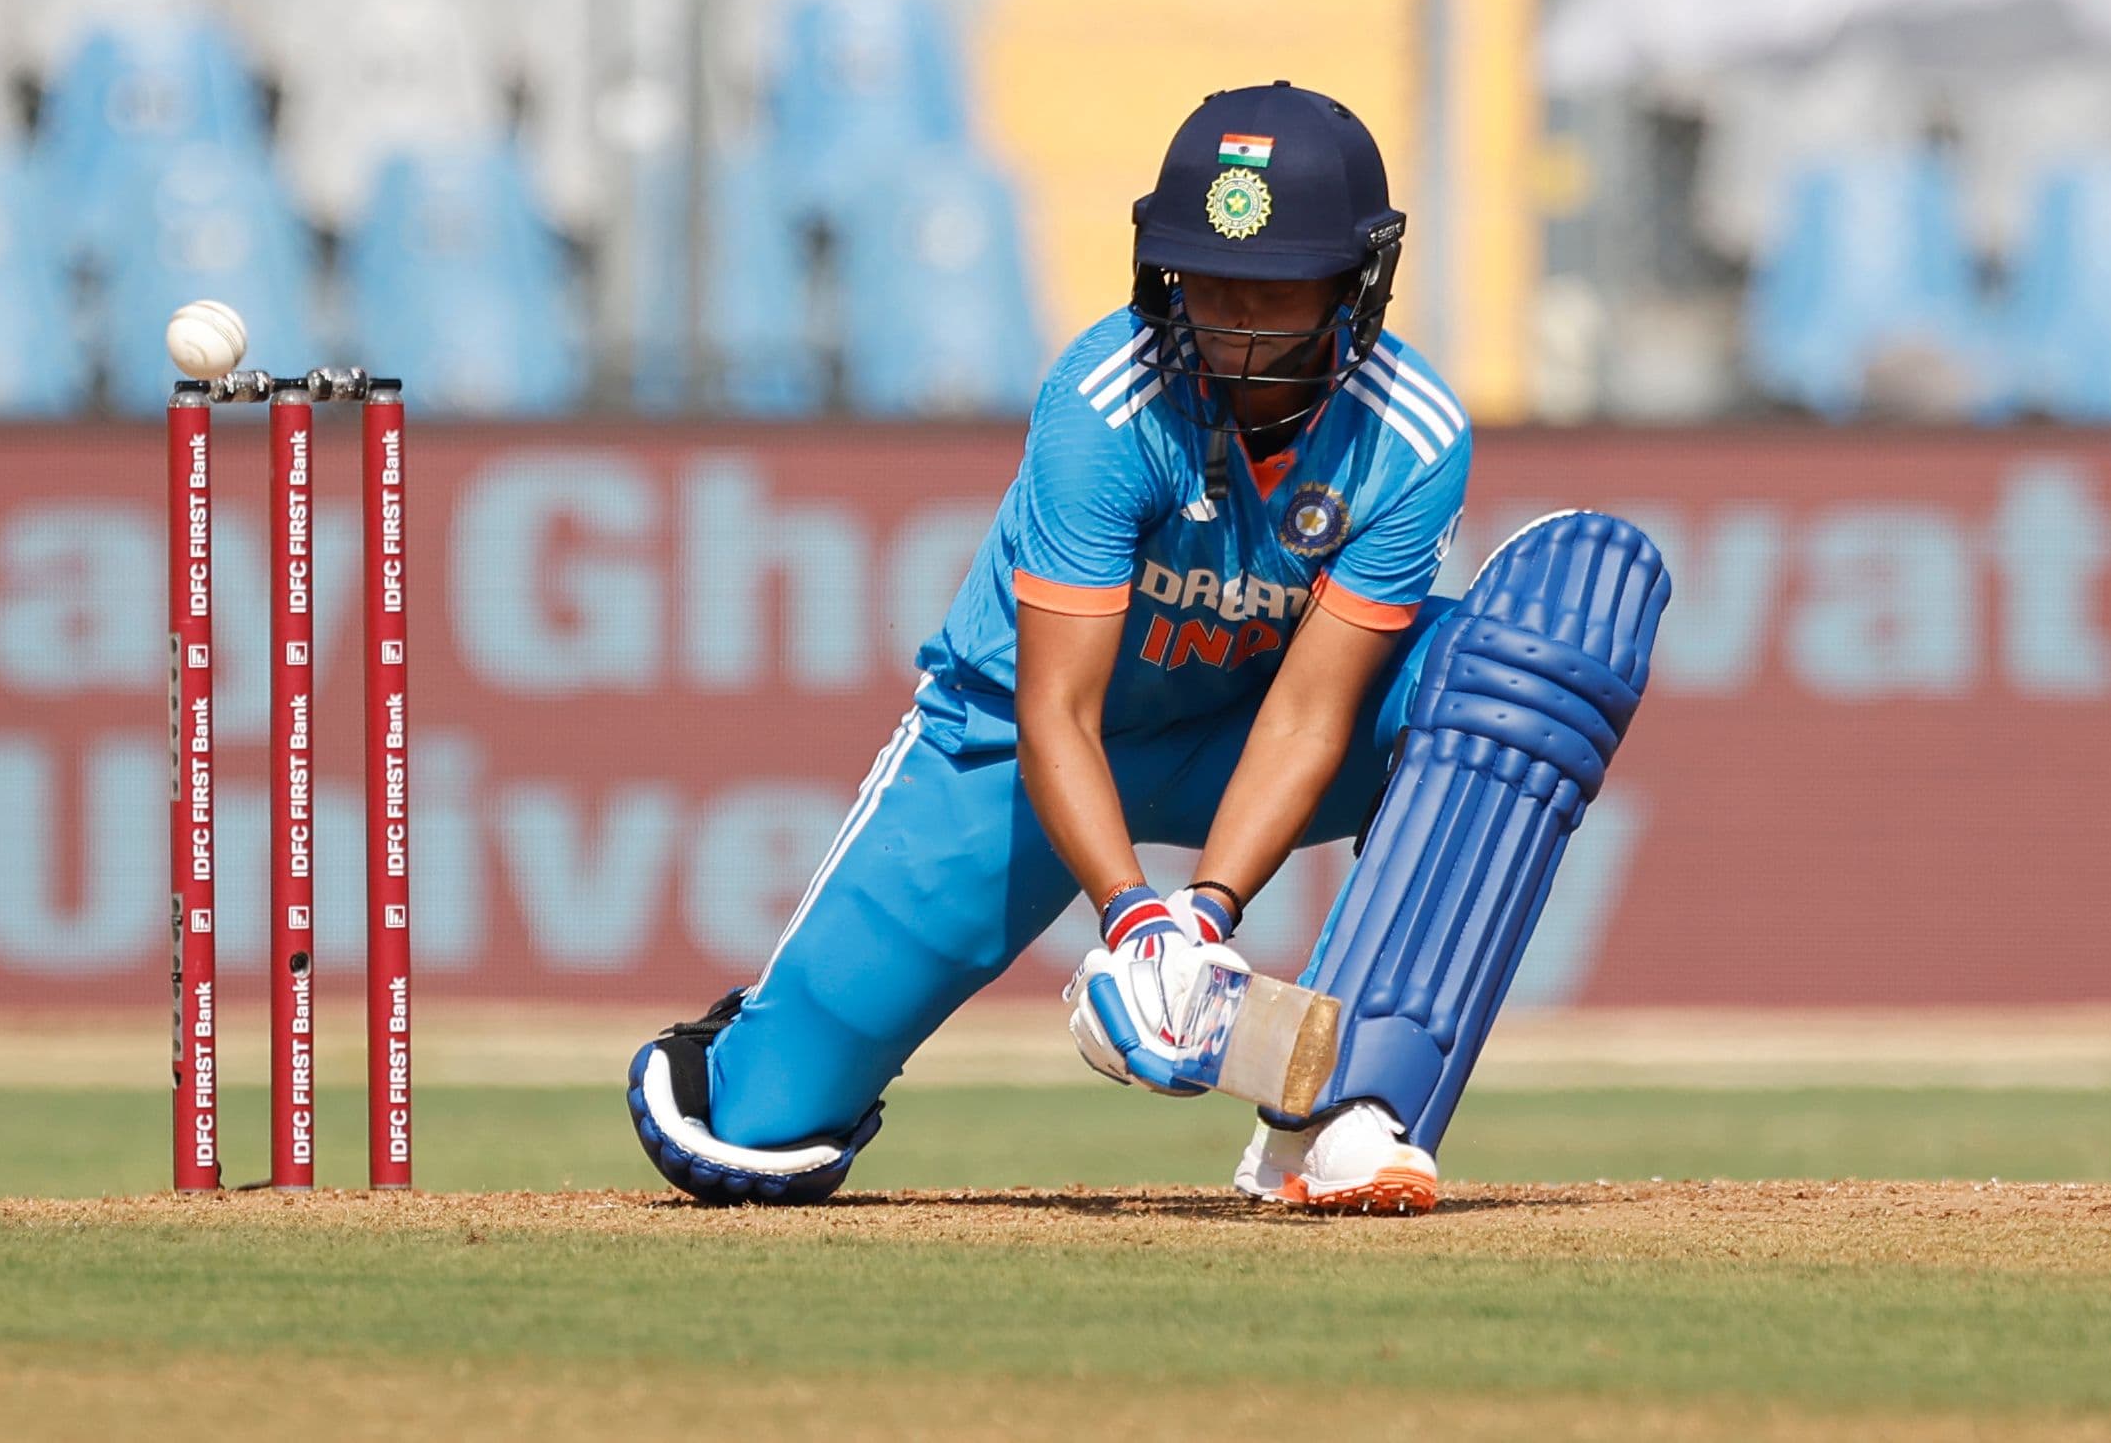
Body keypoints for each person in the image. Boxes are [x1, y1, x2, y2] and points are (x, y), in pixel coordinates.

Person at [628, 82, 1671, 1213]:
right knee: (748, 1137)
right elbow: (1054, 714)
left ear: (1354, 283)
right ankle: (757, 1043)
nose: (1229, 316)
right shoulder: (1104, 400)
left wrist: (1204, 915)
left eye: (1271, 288)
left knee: (1519, 661)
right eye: (1203, 275)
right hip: (1016, 747)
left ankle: (1349, 1107)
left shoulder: (1410, 436)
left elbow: (1312, 714)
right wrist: (1132, 919)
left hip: (1243, 726)